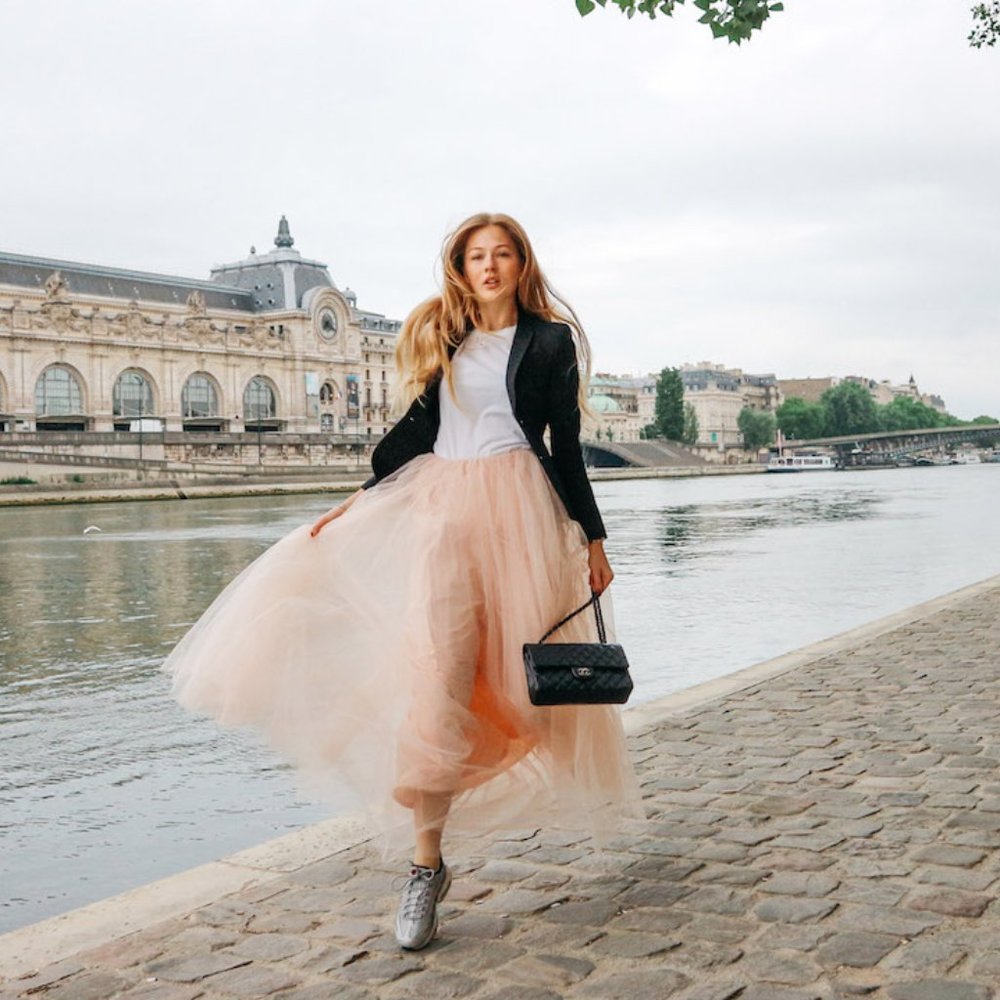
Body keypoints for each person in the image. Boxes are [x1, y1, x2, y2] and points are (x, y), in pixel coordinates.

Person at [165, 212, 642, 951]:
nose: (488, 266)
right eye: (476, 256)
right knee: (439, 684)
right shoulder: (444, 336)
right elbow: (418, 432)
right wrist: (357, 501)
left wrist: (595, 536)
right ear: (460, 267)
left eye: (502, 254)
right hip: (444, 516)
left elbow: (566, 446)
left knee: (520, 687)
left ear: (521, 264)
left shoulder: (549, 342)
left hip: (521, 515)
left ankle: (462, 800)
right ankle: (426, 866)